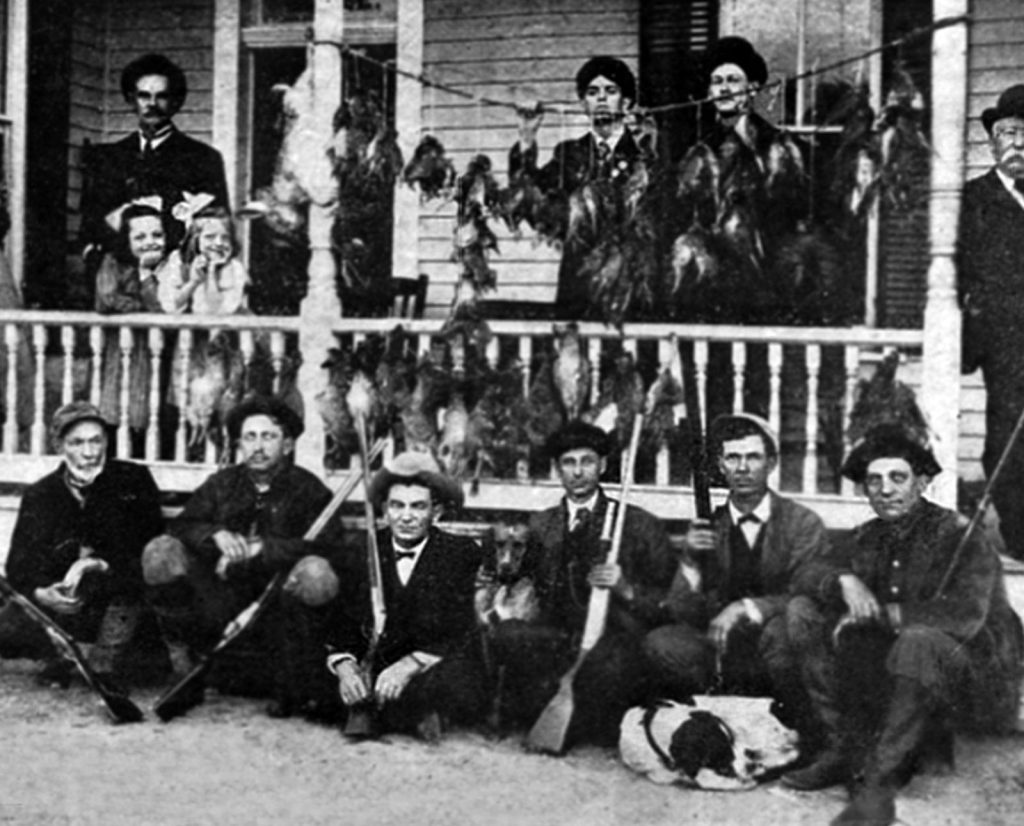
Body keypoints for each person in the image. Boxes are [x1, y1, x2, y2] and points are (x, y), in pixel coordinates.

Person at [782, 425, 1023, 826]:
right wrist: (843, 581)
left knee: (917, 639)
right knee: (803, 610)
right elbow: (807, 571)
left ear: (922, 482)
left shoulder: (961, 535)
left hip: (972, 669)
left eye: (898, 478)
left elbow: (966, 616)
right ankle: (842, 749)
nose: (886, 490)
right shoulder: (867, 535)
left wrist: (888, 615)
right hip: (903, 664)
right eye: (874, 480)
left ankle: (878, 777)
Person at [140, 395, 339, 715]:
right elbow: (182, 527)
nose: (258, 446)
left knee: (316, 573)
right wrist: (214, 535)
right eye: (250, 437)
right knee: (160, 553)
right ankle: (186, 666)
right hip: (219, 599)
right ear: (239, 444)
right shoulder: (222, 484)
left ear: (287, 445)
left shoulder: (309, 490)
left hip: (278, 604)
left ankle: (295, 681)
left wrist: (266, 548)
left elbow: (330, 547)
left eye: (268, 436)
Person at [490, 421, 677, 749]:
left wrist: (626, 588)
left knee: (615, 664)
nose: (578, 472)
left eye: (587, 462)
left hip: (610, 641)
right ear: (558, 470)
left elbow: (670, 603)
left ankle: (584, 719)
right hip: (555, 639)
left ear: (602, 465)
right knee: (508, 635)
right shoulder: (540, 525)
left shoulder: (637, 525)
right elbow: (520, 581)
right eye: (568, 463)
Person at [644, 414, 829, 743]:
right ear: (721, 465)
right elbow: (682, 611)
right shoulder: (710, 524)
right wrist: (689, 558)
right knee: (662, 642)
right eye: (733, 458)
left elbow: (807, 593)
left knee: (782, 631)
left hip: (776, 644)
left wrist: (748, 606)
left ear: (771, 463)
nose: (743, 468)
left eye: (753, 457)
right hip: (722, 648)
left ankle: (801, 731)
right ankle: (723, 722)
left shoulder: (803, 523)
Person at [326, 451, 486, 742]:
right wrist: (346, 667)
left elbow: (458, 628)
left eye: (418, 507)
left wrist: (409, 665)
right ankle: (401, 712)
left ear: (435, 511)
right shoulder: (362, 550)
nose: (407, 517)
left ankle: (407, 709)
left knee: (457, 677)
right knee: (328, 679)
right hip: (375, 660)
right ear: (385, 509)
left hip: (426, 662)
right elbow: (343, 621)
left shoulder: (460, 553)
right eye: (397, 506)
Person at [0, 402, 163, 688]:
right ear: (59, 446)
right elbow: (19, 565)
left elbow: (151, 547)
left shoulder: (133, 480)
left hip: (120, 601)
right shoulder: (41, 494)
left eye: (96, 441)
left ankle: (105, 660)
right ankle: (60, 653)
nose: (89, 452)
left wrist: (98, 563)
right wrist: (43, 593)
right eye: (77, 443)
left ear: (106, 442)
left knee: (129, 660)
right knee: (10, 624)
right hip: (63, 608)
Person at [78, 53, 230, 293]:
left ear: (175, 102)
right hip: (116, 284)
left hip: (177, 284)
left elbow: (216, 226)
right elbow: (90, 226)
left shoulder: (202, 158)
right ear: (131, 99)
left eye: (161, 96)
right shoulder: (106, 158)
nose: (151, 104)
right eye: (143, 96)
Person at [509, 56, 644, 318]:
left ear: (626, 103)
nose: (602, 99)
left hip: (630, 291)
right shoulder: (569, 155)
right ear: (584, 104)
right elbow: (527, 203)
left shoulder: (645, 155)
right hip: (578, 289)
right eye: (593, 93)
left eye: (611, 91)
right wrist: (527, 136)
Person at [958, 83, 1024, 562]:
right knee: (1008, 434)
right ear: (993, 142)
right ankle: (1020, 538)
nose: (1017, 143)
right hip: (1002, 342)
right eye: (1006, 133)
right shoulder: (973, 199)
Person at [164, 199, 250, 316]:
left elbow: (218, 313)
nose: (219, 243)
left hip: (224, 330)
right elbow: (170, 306)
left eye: (225, 238)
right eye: (210, 237)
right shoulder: (178, 261)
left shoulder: (235, 268)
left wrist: (211, 273)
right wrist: (193, 282)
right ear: (195, 239)